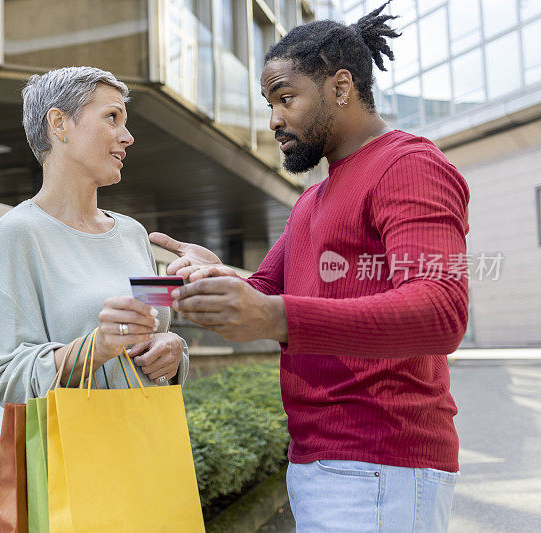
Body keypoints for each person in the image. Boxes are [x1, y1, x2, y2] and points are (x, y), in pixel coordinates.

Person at [151, 3, 467, 531]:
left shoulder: (408, 165)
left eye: (285, 97)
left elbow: (441, 309)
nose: (273, 119)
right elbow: (267, 291)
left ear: (340, 87)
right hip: (323, 462)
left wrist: (276, 317)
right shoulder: (313, 199)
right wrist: (218, 273)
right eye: (269, 103)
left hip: (381, 465)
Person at [0, 66, 188, 433]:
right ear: (59, 124)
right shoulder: (16, 235)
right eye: (112, 117)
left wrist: (174, 350)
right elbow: (2, 377)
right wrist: (96, 348)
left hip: (150, 445)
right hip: (74, 461)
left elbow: (157, 330)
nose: (128, 136)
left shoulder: (134, 234)